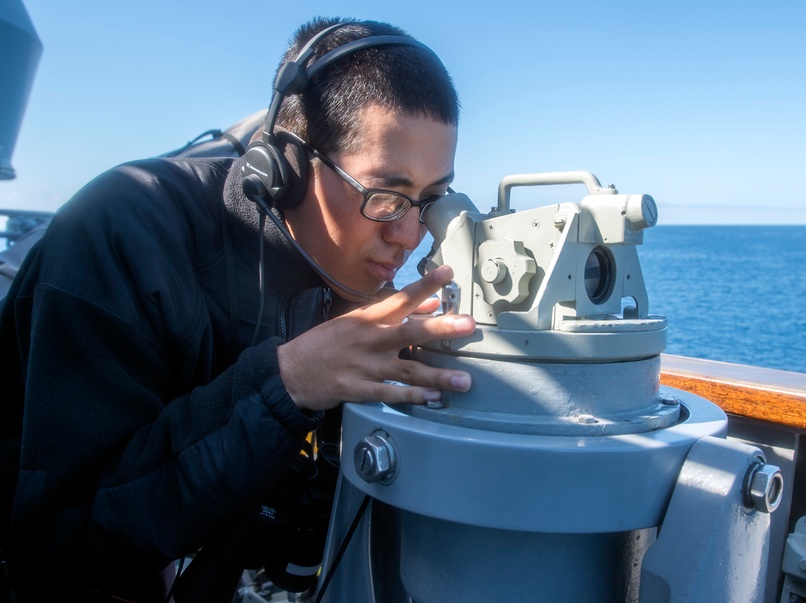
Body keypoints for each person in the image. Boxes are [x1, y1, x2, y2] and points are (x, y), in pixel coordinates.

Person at [0, 16, 475, 601]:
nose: (408, 235)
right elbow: (61, 545)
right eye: (385, 194)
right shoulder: (120, 234)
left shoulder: (342, 276)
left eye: (428, 201)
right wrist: (289, 382)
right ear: (291, 167)